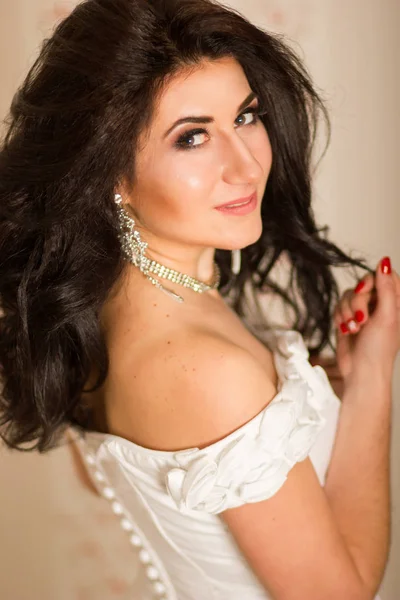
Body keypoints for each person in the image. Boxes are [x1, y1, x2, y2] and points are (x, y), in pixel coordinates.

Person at [0, 0, 398, 598]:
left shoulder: (99, 307)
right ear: (110, 173)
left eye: (246, 116)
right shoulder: (206, 367)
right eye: (192, 138)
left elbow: (143, 470)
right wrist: (371, 388)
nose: (245, 164)